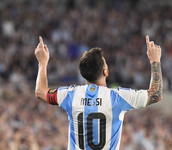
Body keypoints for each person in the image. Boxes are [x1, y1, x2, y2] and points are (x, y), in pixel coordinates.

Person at [34, 35, 163, 150]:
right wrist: (155, 61)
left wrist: (42, 63)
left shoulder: (70, 95)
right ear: (105, 72)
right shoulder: (117, 97)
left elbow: (40, 92)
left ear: (83, 74)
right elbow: (156, 94)